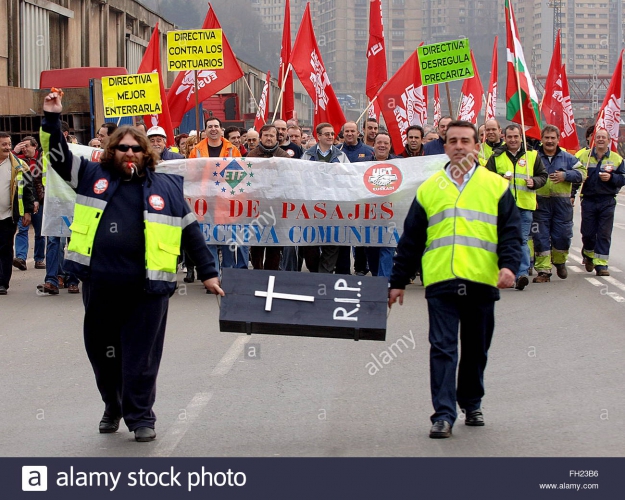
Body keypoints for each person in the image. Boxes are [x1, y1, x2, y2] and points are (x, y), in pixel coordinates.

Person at [41, 89, 224, 441]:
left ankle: (142, 418)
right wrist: (51, 116)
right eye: (123, 147)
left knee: (141, 357)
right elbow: (56, 155)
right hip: (100, 285)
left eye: (136, 148)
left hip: (148, 289)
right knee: (102, 354)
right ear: (112, 151)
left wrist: (209, 272)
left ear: (147, 153)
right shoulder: (91, 175)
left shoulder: (167, 187)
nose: (130, 153)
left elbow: (191, 232)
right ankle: (113, 406)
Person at [388, 120, 522, 439]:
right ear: (445, 146)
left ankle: (472, 402)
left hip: (481, 281)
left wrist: (509, 266)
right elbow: (411, 239)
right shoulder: (430, 187)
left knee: (476, 349)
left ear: (477, 146)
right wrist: (397, 281)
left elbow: (512, 233)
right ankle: (444, 414)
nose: (460, 145)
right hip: (441, 282)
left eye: (466, 140)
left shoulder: (495, 186)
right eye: (453, 141)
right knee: (443, 348)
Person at [485, 124, 547, 290]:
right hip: (502, 207)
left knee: (522, 240)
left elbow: (543, 176)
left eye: (516, 136)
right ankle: (503, 273)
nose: (513, 140)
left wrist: (535, 182)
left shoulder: (533, 155)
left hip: (524, 206)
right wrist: (499, 178)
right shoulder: (496, 157)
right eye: (510, 136)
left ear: (521, 137)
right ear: (504, 137)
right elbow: (485, 179)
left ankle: (521, 275)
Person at [188, 117, 247, 273]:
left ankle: (227, 274)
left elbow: (239, 175)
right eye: (209, 126)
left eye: (216, 126)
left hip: (225, 202)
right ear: (205, 130)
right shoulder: (197, 150)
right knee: (208, 240)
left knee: (227, 239)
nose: (213, 129)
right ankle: (213, 274)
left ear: (221, 129)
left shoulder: (232, 150)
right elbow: (191, 175)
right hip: (204, 202)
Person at [532, 125, 586, 282]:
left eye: (552, 138)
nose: (549, 141)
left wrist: (566, 175)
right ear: (541, 139)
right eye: (546, 138)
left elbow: (582, 173)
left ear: (558, 139)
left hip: (562, 205)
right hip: (540, 204)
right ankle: (543, 272)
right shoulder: (534, 157)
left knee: (562, 236)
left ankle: (559, 261)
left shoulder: (568, 158)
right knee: (540, 237)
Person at [302, 123, 349, 273]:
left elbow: (349, 178)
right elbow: (300, 177)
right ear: (319, 136)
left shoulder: (341, 156)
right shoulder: (307, 155)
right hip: (312, 207)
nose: (330, 136)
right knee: (310, 245)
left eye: (332, 134)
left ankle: (324, 275)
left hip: (333, 206)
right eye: (327, 134)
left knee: (332, 243)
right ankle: (315, 271)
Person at [577, 128, 625, 276]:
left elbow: (623, 178)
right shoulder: (583, 156)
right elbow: (574, 175)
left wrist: (611, 178)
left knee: (604, 233)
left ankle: (601, 265)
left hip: (607, 200)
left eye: (604, 137)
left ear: (609, 141)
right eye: (598, 137)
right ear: (594, 140)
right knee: (588, 233)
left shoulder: (617, 159)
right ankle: (588, 254)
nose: (600, 140)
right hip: (589, 200)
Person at [246, 124, 290, 270]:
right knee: (257, 244)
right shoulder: (251, 155)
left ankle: (271, 274)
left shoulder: (284, 156)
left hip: (277, 207)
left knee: (274, 244)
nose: (269, 138)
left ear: (277, 137)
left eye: (272, 135)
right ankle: (257, 272)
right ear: (261, 137)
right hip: (257, 206)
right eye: (266, 135)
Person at [0, 132, 35, 295]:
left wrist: (27, 211)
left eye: (8, 144)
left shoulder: (19, 166)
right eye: (4, 144)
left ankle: (2, 283)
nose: (7, 147)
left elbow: (28, 190)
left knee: (5, 248)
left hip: (8, 215)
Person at [12, 136, 45, 270]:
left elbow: (39, 183)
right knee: (22, 229)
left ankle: (39, 259)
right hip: (24, 201)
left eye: (26, 146)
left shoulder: (41, 160)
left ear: (34, 146)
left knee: (40, 231)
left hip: (40, 200)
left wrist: (37, 200)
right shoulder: (18, 160)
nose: (24, 149)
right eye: (22, 146)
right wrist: (14, 151)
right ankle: (21, 258)